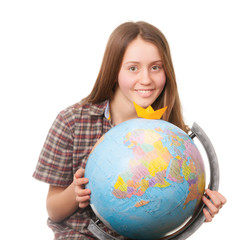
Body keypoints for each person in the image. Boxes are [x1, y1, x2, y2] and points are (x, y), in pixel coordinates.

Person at [33, 21, 226, 240]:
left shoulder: (172, 139)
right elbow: (53, 210)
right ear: (114, 70)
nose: (146, 79)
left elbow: (161, 223)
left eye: (156, 67)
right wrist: (74, 193)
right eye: (133, 68)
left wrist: (198, 209)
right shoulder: (72, 122)